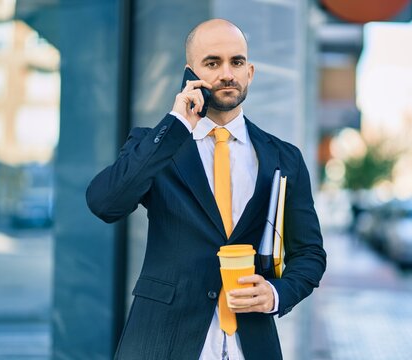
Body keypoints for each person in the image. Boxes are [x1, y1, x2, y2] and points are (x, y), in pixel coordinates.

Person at [86, 18, 326, 360]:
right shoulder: (157, 146)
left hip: (252, 343)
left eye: (237, 62)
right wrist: (176, 124)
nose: (226, 73)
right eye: (212, 63)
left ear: (250, 72)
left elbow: (310, 254)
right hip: (163, 341)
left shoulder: (284, 157)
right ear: (189, 74)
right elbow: (105, 203)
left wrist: (276, 293)